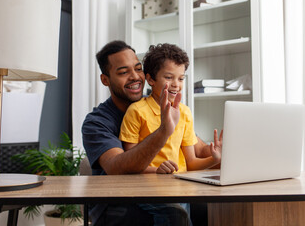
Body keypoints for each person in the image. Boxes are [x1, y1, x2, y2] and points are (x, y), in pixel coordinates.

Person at [82, 40, 218, 226]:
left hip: (166, 188)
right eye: (123, 72)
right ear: (105, 79)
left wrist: (226, 151)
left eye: (138, 69)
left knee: (214, 207)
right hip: (117, 203)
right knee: (175, 214)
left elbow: (198, 150)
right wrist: (163, 132)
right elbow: (117, 167)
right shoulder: (96, 122)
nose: (135, 77)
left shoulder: (165, 106)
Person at [120, 43, 222, 174]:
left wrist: (215, 159)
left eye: (181, 79)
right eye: (168, 77)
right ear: (150, 79)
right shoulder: (136, 111)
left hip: (180, 184)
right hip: (149, 185)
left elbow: (191, 163)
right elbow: (130, 164)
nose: (176, 84)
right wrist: (157, 170)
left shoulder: (184, 112)